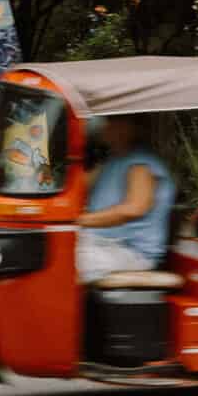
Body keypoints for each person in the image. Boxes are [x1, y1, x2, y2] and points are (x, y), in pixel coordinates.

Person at [76, 115, 176, 283]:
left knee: (62, 263)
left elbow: (135, 208)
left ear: (130, 127)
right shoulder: (113, 160)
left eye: (111, 120)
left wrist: (78, 220)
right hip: (103, 244)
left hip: (131, 251)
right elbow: (78, 187)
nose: (103, 125)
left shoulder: (141, 163)